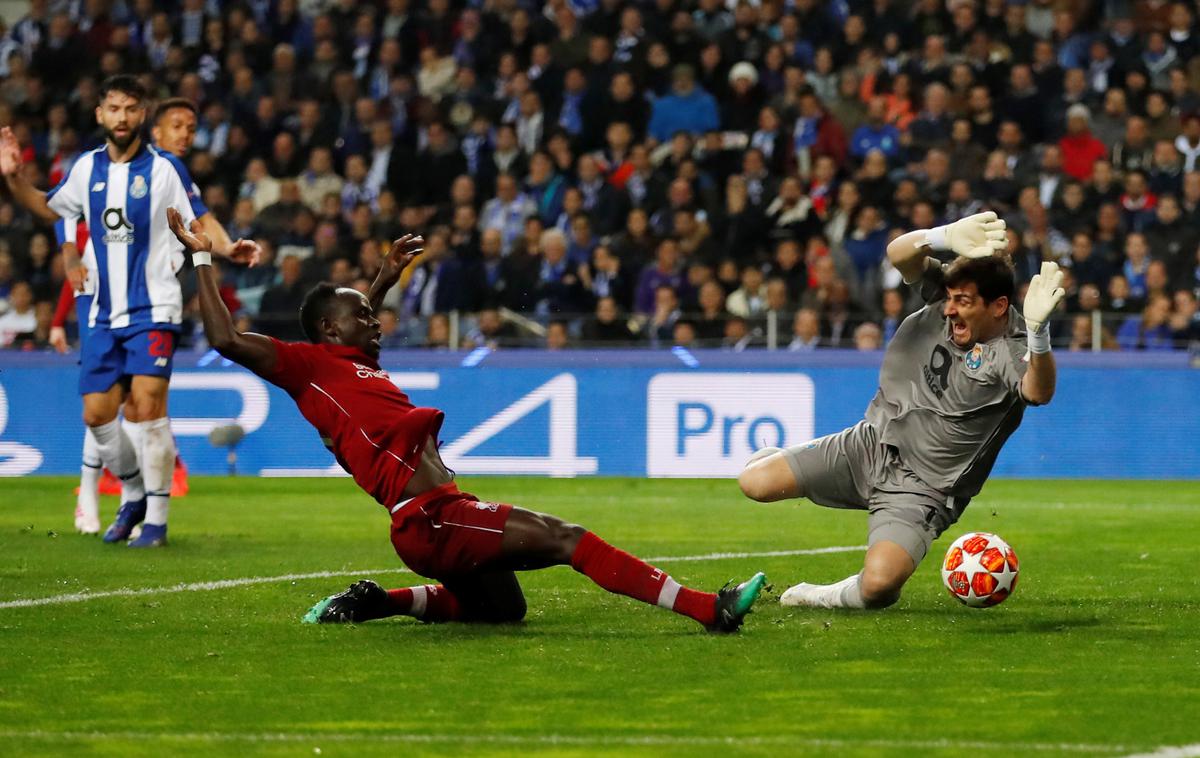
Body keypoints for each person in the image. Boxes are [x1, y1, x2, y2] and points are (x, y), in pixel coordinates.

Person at [168, 208, 765, 632]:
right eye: (361, 314)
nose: (375, 319)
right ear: (327, 329)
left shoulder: (353, 360)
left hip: (438, 514)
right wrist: (198, 255)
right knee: (567, 538)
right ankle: (706, 610)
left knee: (505, 612)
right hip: (430, 519)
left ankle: (382, 603)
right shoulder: (307, 366)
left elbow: (360, 319)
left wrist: (381, 279)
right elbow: (222, 336)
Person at [738, 212, 1064, 610]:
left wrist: (1039, 335)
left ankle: (819, 595)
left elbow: (1038, 391)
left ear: (997, 307)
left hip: (921, 489)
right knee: (753, 483)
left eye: (963, 302)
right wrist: (943, 235)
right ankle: (791, 460)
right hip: (869, 444)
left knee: (878, 587)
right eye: (950, 299)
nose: (949, 310)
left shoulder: (1010, 350)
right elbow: (898, 254)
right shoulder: (943, 296)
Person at [0, 75, 256, 547]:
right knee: (97, 416)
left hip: (153, 307)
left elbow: (201, 218)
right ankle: (135, 492)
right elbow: (50, 209)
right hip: (101, 310)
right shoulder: (85, 168)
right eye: (113, 108)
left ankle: (155, 521)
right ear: (100, 114)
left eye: (131, 109)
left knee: (149, 408)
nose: (122, 118)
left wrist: (226, 247)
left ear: (143, 115)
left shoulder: (166, 169)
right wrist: (14, 177)